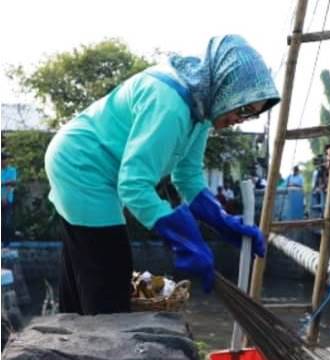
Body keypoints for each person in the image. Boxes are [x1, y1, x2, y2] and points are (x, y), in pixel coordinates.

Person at [44, 35, 277, 314]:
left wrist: (222, 220)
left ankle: (71, 337)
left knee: (86, 264)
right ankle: (97, 349)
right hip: (82, 166)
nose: (241, 120)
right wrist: (183, 237)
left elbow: (188, 176)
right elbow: (134, 186)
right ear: (226, 86)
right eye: (243, 109)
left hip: (84, 164)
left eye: (251, 116)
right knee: (109, 273)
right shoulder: (170, 105)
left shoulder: (201, 108)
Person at [1, 153, 17, 245]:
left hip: (8, 200)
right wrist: (7, 183)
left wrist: (5, 198)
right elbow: (10, 183)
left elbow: (13, 183)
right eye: (3, 159)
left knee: (7, 223)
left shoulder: (12, 170)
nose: (6, 161)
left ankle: (7, 244)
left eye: (6, 159)